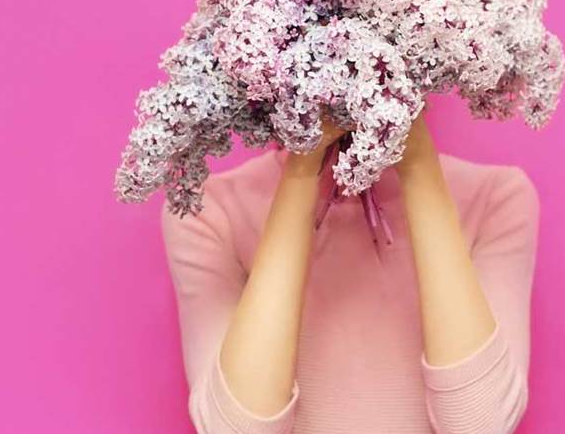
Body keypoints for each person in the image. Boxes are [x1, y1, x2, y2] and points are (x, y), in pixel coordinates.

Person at [162, 113, 539, 433]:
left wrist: (418, 163)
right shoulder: (206, 211)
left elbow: (481, 424)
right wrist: (302, 169)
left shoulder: (496, 198)